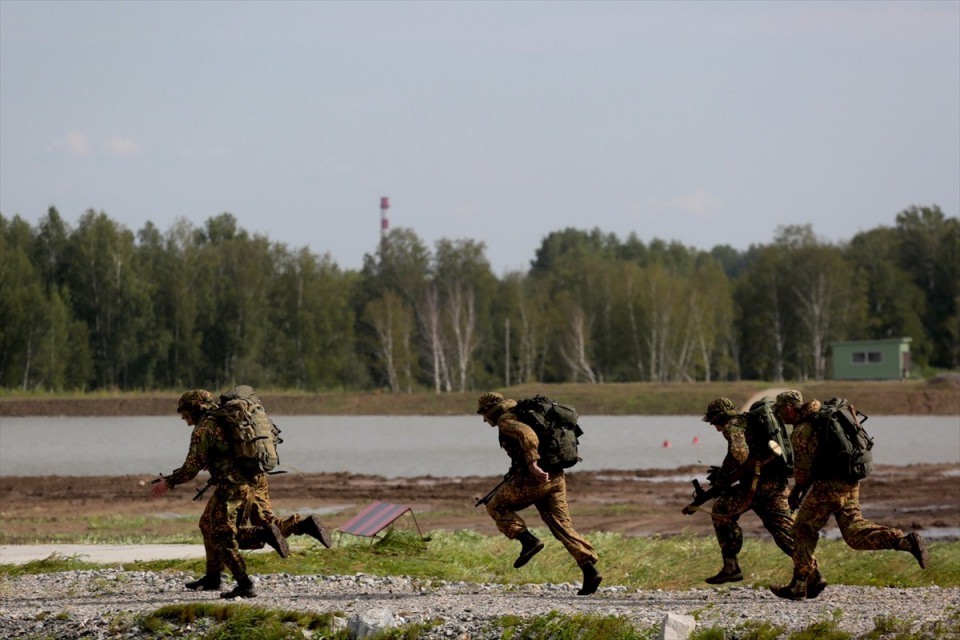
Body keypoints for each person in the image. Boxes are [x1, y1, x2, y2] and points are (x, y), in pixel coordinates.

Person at [769, 390, 929, 601]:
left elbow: (803, 473)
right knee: (854, 532)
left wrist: (796, 493)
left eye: (780, 412)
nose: (780, 417)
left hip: (828, 486)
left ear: (789, 408)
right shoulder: (826, 417)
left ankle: (801, 583)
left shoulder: (802, 431)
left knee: (801, 529)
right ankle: (903, 541)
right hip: (849, 481)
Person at [151, 389, 288, 599]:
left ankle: (245, 583)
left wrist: (168, 482)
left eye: (185, 413)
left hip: (232, 486)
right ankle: (212, 577)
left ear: (196, 408)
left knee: (221, 534)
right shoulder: (224, 420)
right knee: (206, 524)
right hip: (245, 481)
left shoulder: (204, 428)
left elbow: (191, 468)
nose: (184, 419)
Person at [476, 391, 602, 596]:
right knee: (562, 526)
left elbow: (528, 435)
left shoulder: (506, 420)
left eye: (483, 414)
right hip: (556, 478)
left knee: (496, 506)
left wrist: (532, 464)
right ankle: (590, 571)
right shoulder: (525, 413)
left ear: (490, 410)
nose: (484, 419)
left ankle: (527, 541)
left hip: (534, 479)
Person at [692, 397, 795, 585]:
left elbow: (738, 454)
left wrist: (723, 477)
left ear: (719, 417)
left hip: (757, 486)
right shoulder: (748, 423)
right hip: (775, 485)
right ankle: (811, 572)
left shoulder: (733, 426)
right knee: (783, 530)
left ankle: (731, 567)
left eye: (714, 422)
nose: (715, 427)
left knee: (721, 511)